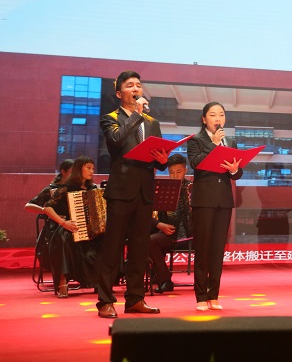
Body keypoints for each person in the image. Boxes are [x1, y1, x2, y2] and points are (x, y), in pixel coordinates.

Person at [95, 71, 168, 319]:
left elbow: (157, 156)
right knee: (112, 247)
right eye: (130, 85)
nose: (136, 88)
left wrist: (163, 160)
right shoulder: (110, 118)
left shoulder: (152, 122)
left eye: (138, 85)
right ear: (119, 93)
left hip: (145, 190)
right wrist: (136, 114)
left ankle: (135, 299)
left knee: (139, 248)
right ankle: (105, 300)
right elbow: (116, 140)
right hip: (121, 190)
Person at [187, 102, 242, 311]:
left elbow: (237, 173)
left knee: (218, 250)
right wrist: (213, 144)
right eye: (212, 115)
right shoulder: (196, 140)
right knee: (203, 249)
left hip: (223, 200)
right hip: (203, 201)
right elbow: (196, 163)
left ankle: (214, 295)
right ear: (204, 119)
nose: (218, 119)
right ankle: (201, 296)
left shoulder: (231, 141)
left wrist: (235, 169)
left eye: (221, 114)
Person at [41, 156, 103, 298]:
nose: (92, 171)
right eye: (88, 168)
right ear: (79, 169)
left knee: (107, 239)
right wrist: (63, 223)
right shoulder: (65, 188)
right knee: (65, 240)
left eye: (93, 168)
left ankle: (101, 282)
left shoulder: (93, 189)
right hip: (70, 227)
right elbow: (47, 208)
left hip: (91, 230)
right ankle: (63, 282)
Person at [148, 154, 193, 294]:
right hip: (168, 232)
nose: (174, 175)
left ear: (185, 170)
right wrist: (160, 225)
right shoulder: (163, 187)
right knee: (149, 239)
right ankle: (164, 279)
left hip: (189, 234)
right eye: (171, 172)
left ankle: (161, 278)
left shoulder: (191, 188)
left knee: (152, 240)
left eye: (178, 172)